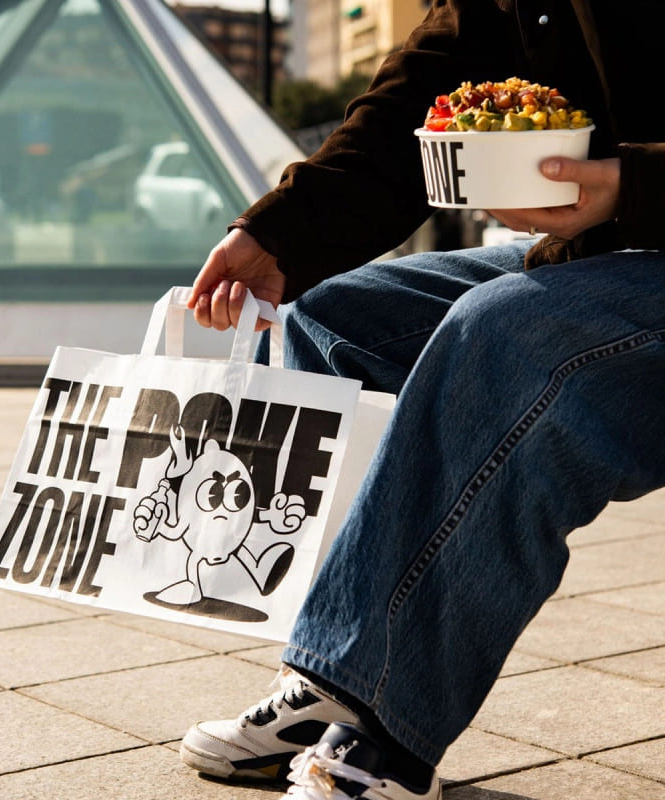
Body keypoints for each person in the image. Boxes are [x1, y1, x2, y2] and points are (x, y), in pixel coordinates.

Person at [179, 3, 665, 799]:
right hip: (599, 247)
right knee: (331, 320)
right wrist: (279, 234)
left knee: (505, 333)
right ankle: (336, 669)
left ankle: (382, 721)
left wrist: (634, 186)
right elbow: (411, 109)